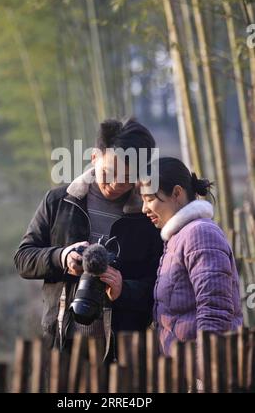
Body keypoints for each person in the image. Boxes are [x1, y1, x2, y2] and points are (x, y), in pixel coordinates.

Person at [14, 118, 163, 363]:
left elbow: (160, 286)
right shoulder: (59, 201)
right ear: (95, 157)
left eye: (127, 178)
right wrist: (61, 256)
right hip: (61, 342)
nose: (116, 185)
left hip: (122, 352)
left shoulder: (148, 217)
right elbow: (23, 258)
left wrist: (123, 289)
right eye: (109, 173)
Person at [141, 157, 243, 357]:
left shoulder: (200, 234)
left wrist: (204, 375)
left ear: (177, 193)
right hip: (183, 371)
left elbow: (215, 312)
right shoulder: (178, 238)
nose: (144, 208)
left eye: (150, 199)